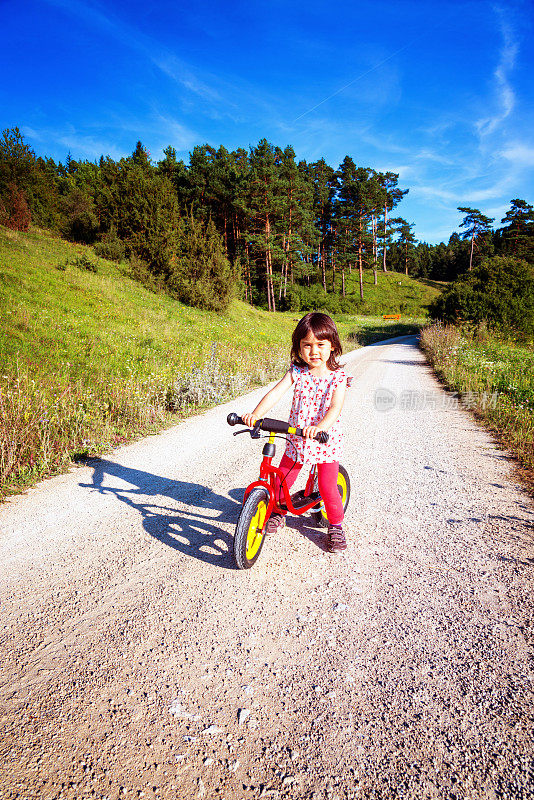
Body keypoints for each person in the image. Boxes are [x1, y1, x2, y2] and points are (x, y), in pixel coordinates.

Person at [242, 312, 349, 553]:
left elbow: (335, 407)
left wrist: (320, 427)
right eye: (307, 345)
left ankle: (336, 526)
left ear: (332, 346)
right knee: (280, 480)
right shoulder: (297, 372)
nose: (314, 351)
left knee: (329, 488)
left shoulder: (337, 377)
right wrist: (256, 413)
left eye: (320, 345)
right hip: (297, 438)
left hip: (324, 440)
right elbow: (275, 393)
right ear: (298, 348)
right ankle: (279, 512)